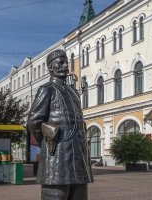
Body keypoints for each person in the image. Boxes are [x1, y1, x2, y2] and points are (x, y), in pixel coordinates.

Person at [27, 49, 93, 200]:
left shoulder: (73, 92)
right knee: (57, 194)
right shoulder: (46, 90)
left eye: (66, 62)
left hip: (79, 152)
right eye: (60, 62)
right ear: (51, 67)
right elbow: (33, 122)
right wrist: (48, 142)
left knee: (79, 194)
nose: (64, 65)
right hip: (58, 153)